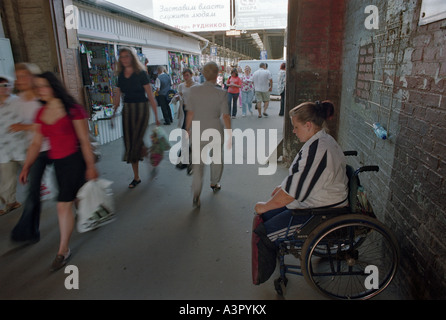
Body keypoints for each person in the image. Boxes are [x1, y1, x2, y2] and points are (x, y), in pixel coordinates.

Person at [252, 101, 348, 283]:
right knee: (267, 216)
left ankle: (262, 276)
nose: (294, 131)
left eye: (296, 127)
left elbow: (293, 193)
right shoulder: (320, 140)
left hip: (321, 212)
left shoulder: (318, 150)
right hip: (320, 201)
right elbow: (300, 176)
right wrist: (282, 187)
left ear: (308, 125)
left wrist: (265, 205)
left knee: (263, 233)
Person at [19, 72, 99, 271]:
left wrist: (90, 166)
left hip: (75, 161)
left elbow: (84, 141)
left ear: (53, 86)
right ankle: (88, 212)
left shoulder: (73, 110)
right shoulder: (40, 113)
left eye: (43, 86)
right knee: (75, 198)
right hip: (59, 164)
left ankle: (63, 250)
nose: (39, 90)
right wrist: (27, 165)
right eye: (36, 87)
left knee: (63, 205)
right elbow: (36, 142)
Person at [10, 63, 52, 243]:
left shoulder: (42, 97)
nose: (21, 80)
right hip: (37, 150)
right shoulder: (16, 101)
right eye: (18, 76)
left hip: (54, 146)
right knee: (33, 192)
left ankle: (85, 210)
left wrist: (23, 126)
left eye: (24, 75)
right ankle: (28, 231)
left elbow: (46, 123)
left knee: (68, 187)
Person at [185, 62, 232, 208]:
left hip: (198, 129)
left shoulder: (193, 91)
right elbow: (225, 116)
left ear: (203, 74)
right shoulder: (221, 93)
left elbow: (190, 113)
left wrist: (187, 130)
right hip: (215, 129)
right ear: (217, 75)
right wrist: (230, 133)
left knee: (198, 164)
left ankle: (196, 193)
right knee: (216, 158)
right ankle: (214, 182)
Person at [112, 47, 160, 189]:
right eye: (122, 57)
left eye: (127, 56)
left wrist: (157, 117)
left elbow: (150, 96)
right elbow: (117, 96)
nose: (125, 59)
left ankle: (145, 168)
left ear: (132, 57)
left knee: (136, 141)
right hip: (127, 109)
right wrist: (113, 114)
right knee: (130, 143)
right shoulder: (120, 75)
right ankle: (137, 176)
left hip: (141, 109)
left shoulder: (141, 74)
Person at [0, 75, 26, 216]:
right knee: (6, 180)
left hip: (21, 146)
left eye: (7, 85)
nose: (4, 89)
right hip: (3, 150)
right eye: (1, 86)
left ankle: (41, 195)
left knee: (34, 173)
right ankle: (10, 203)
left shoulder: (17, 102)